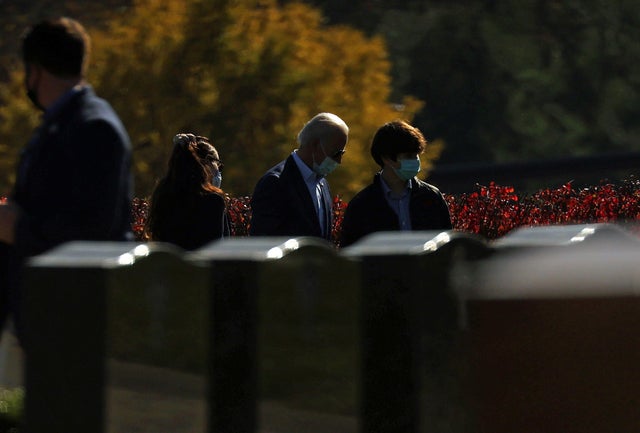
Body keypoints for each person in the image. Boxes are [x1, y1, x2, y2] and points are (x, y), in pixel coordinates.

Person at [0, 17, 133, 342]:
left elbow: (89, 230)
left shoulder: (92, 128)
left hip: (74, 315)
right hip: (48, 309)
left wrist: (16, 229)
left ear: (36, 70)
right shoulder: (62, 123)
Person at [339, 120, 452, 248]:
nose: (415, 161)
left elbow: (447, 247)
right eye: (408, 156)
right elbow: (351, 253)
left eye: (416, 155)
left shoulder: (432, 198)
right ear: (386, 158)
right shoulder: (362, 205)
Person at [249, 112, 349, 241]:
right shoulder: (275, 183)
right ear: (314, 145)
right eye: (336, 153)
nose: (339, 161)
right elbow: (264, 241)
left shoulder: (322, 184)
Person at [145, 133, 229, 250]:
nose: (218, 170)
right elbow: (217, 248)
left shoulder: (163, 194)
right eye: (218, 164)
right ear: (207, 163)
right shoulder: (213, 201)